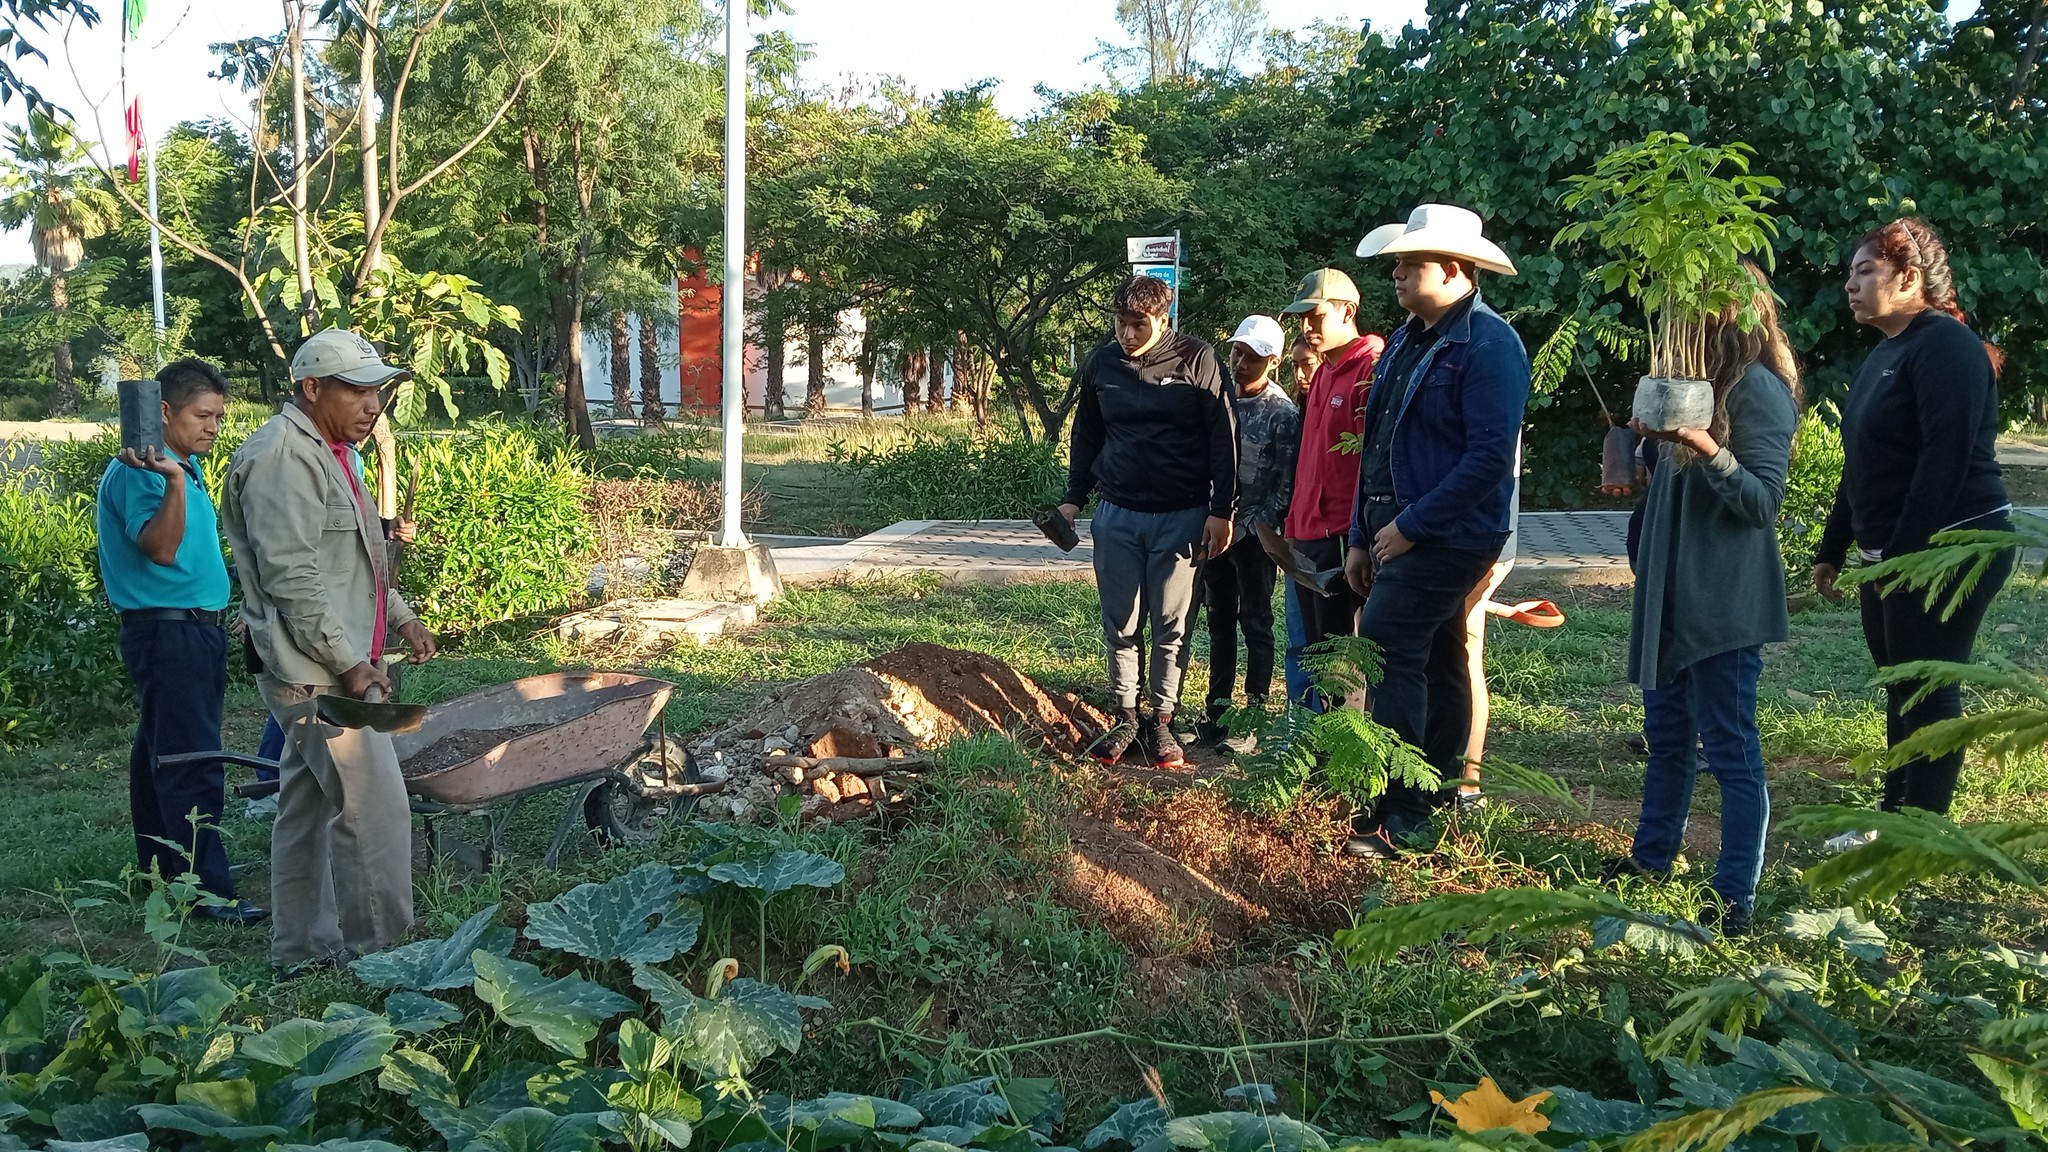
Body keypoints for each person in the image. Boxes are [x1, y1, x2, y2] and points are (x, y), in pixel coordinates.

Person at [223, 328, 438, 966]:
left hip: (328, 661)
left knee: (306, 805)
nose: (374, 405)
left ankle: (300, 948)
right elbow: (292, 576)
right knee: (374, 807)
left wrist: (400, 619)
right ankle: (387, 956)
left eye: (379, 392)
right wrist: (350, 664)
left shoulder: (331, 451)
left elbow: (355, 557)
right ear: (312, 388)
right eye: (358, 391)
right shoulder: (283, 458)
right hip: (314, 669)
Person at [1606, 266, 1801, 934]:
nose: (1677, 320)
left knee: (1729, 748)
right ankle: (1651, 859)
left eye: (1690, 307)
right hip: (1669, 598)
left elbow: (1762, 502)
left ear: (1728, 314)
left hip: (1722, 604)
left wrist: (1704, 447)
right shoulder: (1684, 390)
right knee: (1666, 739)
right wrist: (1641, 451)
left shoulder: (1757, 391)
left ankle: (1733, 895)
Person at [1814, 218, 2015, 843]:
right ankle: (1893, 822)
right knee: (1900, 686)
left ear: (1909, 277)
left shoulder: (1947, 348)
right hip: (1895, 554)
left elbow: (1944, 464)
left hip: (1953, 547)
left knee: (1925, 689)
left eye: (1865, 271)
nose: (1849, 285)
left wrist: (1905, 558)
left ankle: (1917, 835)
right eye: (1851, 271)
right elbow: (1863, 461)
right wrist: (1834, 548)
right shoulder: (1886, 351)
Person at [1341, 204, 1530, 858]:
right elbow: (1377, 442)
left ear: (1453, 270)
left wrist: (1410, 528)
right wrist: (1364, 535)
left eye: (1410, 262)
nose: (1395, 272)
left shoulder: (1490, 344)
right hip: (1400, 528)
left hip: (1453, 533)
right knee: (1444, 650)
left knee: (1391, 640)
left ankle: (1406, 809)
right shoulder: (1405, 341)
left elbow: (1486, 458)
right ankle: (1439, 791)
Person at [95, 359, 265, 924]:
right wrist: (168, 479)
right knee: (192, 760)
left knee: (159, 758)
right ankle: (207, 892)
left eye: (219, 416)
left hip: (188, 629)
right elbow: (159, 549)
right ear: (163, 411)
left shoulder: (184, 467)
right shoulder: (144, 472)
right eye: (202, 414)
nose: (214, 425)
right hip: (169, 632)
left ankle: (164, 873)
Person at [1061, 275, 1236, 769]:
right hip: (1117, 514)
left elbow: (1225, 439)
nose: (1128, 334)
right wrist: (1073, 501)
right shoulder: (1102, 363)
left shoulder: (1197, 359)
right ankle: (1124, 717)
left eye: (1138, 325)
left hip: (1181, 514)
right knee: (1120, 621)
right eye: (1120, 323)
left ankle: (1162, 720)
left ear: (1164, 319)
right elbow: (1086, 435)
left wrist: (1222, 511)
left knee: (1171, 624)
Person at [1198, 315, 1299, 750]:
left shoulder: (1283, 414)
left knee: (1255, 622)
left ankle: (1253, 718)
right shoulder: (1220, 399)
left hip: (1255, 537)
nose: (1239, 362)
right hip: (1216, 529)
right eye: (1236, 351)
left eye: (1251, 356)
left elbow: (1287, 484)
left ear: (1272, 361)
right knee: (1218, 622)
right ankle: (1216, 714)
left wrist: (1255, 527)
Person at [1280, 270, 1385, 681]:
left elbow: (1372, 463)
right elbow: (1309, 459)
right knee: (1313, 650)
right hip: (1306, 533)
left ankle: (1342, 742)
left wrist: (1360, 534)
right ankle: (1315, 741)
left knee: (1340, 658)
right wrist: (1292, 523)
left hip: (1343, 535)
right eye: (1302, 317)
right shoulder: (1321, 371)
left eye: (1316, 316)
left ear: (1347, 311)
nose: (1307, 327)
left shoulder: (1371, 367)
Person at [1455, 445, 1520, 806]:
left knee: (1460, 660)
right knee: (1462, 658)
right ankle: (1465, 784)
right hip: (1477, 537)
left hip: (1472, 540)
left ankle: (1465, 784)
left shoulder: (1488, 387)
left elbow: (1486, 457)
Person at [1281, 336, 1320, 709]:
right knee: (1298, 638)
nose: (1301, 374)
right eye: (1295, 365)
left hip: (1334, 537)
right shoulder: (1296, 409)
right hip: (1296, 533)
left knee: (1334, 645)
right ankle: (1299, 727)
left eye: (1307, 364)